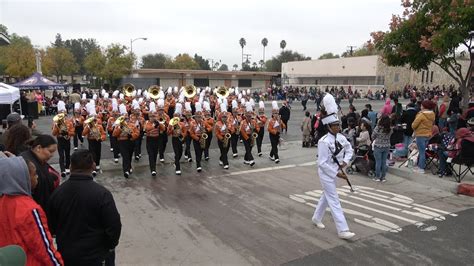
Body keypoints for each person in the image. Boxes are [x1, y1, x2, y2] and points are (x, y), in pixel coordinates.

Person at [47, 150, 121, 266]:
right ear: (93, 166)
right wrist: (110, 246)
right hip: (97, 255)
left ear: (70, 166)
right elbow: (114, 225)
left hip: (68, 254)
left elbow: (51, 226)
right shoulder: (102, 194)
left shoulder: (57, 193)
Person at [0, 156, 64, 265]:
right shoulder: (30, 209)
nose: (37, 177)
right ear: (22, 178)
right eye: (34, 174)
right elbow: (44, 248)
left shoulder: (3, 200)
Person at [311, 93, 355, 240]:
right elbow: (322, 163)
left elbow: (350, 150)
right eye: (335, 125)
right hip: (326, 173)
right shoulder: (323, 142)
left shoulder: (342, 138)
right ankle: (343, 230)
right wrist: (337, 173)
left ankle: (316, 218)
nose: (338, 127)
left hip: (336, 170)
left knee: (326, 196)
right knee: (334, 199)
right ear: (329, 126)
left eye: (338, 125)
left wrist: (345, 163)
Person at [20, 134, 58, 212]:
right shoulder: (29, 164)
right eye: (50, 151)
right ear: (39, 148)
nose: (52, 155)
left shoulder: (38, 160)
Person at [412, 100, 436, 174]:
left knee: (421, 152)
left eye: (422, 105)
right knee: (423, 151)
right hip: (428, 134)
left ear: (424, 106)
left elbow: (414, 125)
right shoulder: (432, 114)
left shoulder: (421, 115)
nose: (420, 106)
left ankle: (421, 168)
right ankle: (421, 165)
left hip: (420, 134)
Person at [371, 115, 393, 182]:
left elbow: (373, 136)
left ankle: (377, 177)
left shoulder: (378, 128)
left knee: (378, 162)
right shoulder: (390, 129)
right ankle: (383, 177)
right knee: (384, 162)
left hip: (378, 146)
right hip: (386, 146)